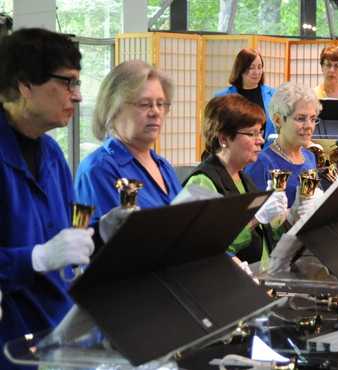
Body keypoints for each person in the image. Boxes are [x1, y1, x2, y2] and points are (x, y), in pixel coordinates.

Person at [0, 28, 94, 369]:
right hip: (12, 345)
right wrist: (35, 258)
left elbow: (68, 235)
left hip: (58, 336)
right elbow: (45, 253)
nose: (78, 96)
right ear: (25, 85)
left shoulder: (52, 154)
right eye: (67, 83)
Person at [183, 94, 288, 265]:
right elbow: (204, 250)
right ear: (224, 138)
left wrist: (280, 218)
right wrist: (255, 219)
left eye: (260, 133)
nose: (260, 140)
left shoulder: (244, 178)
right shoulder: (201, 183)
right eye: (252, 134)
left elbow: (265, 239)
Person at [75, 60, 182, 228]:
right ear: (114, 109)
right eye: (145, 104)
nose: (156, 112)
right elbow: (91, 239)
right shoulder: (97, 169)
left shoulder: (164, 167)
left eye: (160, 104)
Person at [245, 81, 323, 211]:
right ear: (278, 120)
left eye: (313, 119)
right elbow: (251, 220)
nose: (309, 125)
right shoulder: (261, 163)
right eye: (301, 118)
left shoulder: (309, 157)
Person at [216, 48, 276, 148]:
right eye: (251, 67)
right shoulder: (223, 97)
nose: (256, 72)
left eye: (259, 67)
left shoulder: (274, 95)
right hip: (235, 156)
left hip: (266, 156)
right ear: (241, 69)